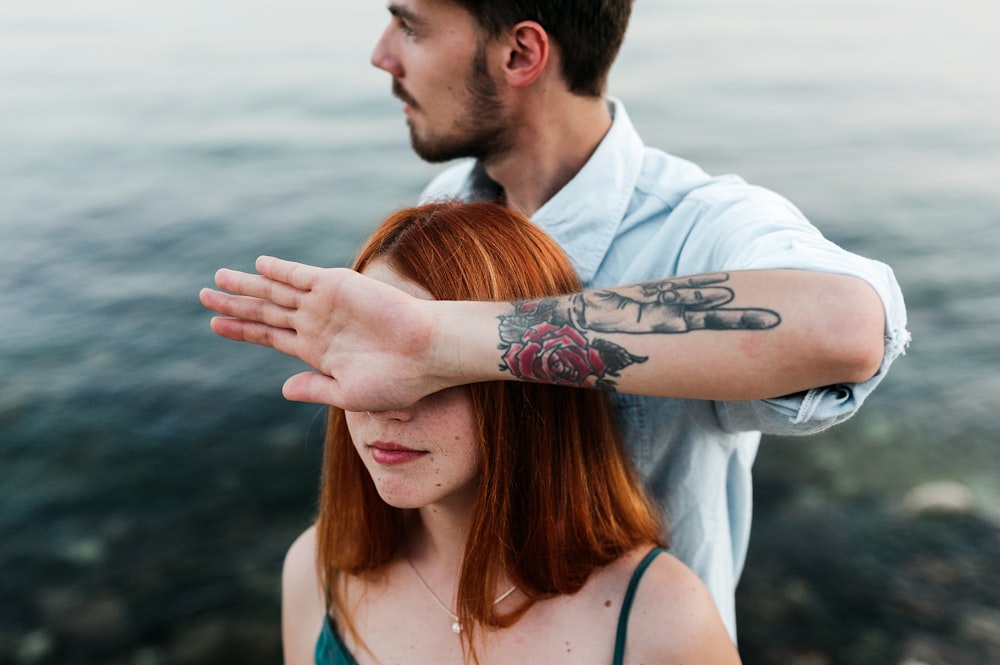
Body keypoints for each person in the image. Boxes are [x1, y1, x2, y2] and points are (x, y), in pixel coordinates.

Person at [200, 0, 909, 639]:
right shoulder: (451, 199)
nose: (383, 53)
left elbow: (845, 326)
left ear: (520, 54)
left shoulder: (697, 228)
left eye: (411, 25)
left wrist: (440, 341)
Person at [280, 201, 742, 665]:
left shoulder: (665, 621)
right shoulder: (316, 570)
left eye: (433, 365)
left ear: (526, 383)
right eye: (365, 354)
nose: (385, 403)